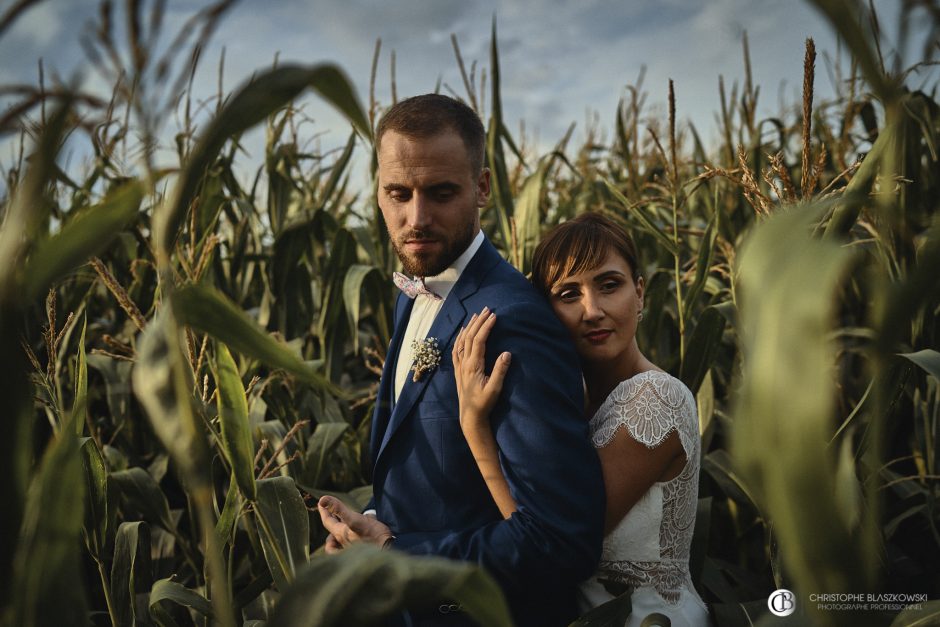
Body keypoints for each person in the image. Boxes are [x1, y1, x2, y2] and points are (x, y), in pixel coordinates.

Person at [316, 94, 605, 627]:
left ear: (483, 188)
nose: (416, 218)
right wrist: (372, 528)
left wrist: (394, 555)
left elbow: (559, 540)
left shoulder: (514, 322)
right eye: (397, 194)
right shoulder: (414, 289)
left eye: (441, 193)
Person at [452, 213, 709, 627]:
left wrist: (475, 428)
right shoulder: (574, 405)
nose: (592, 310)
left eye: (609, 285)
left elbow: (547, 545)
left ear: (639, 293)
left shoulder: (657, 400)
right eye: (568, 294)